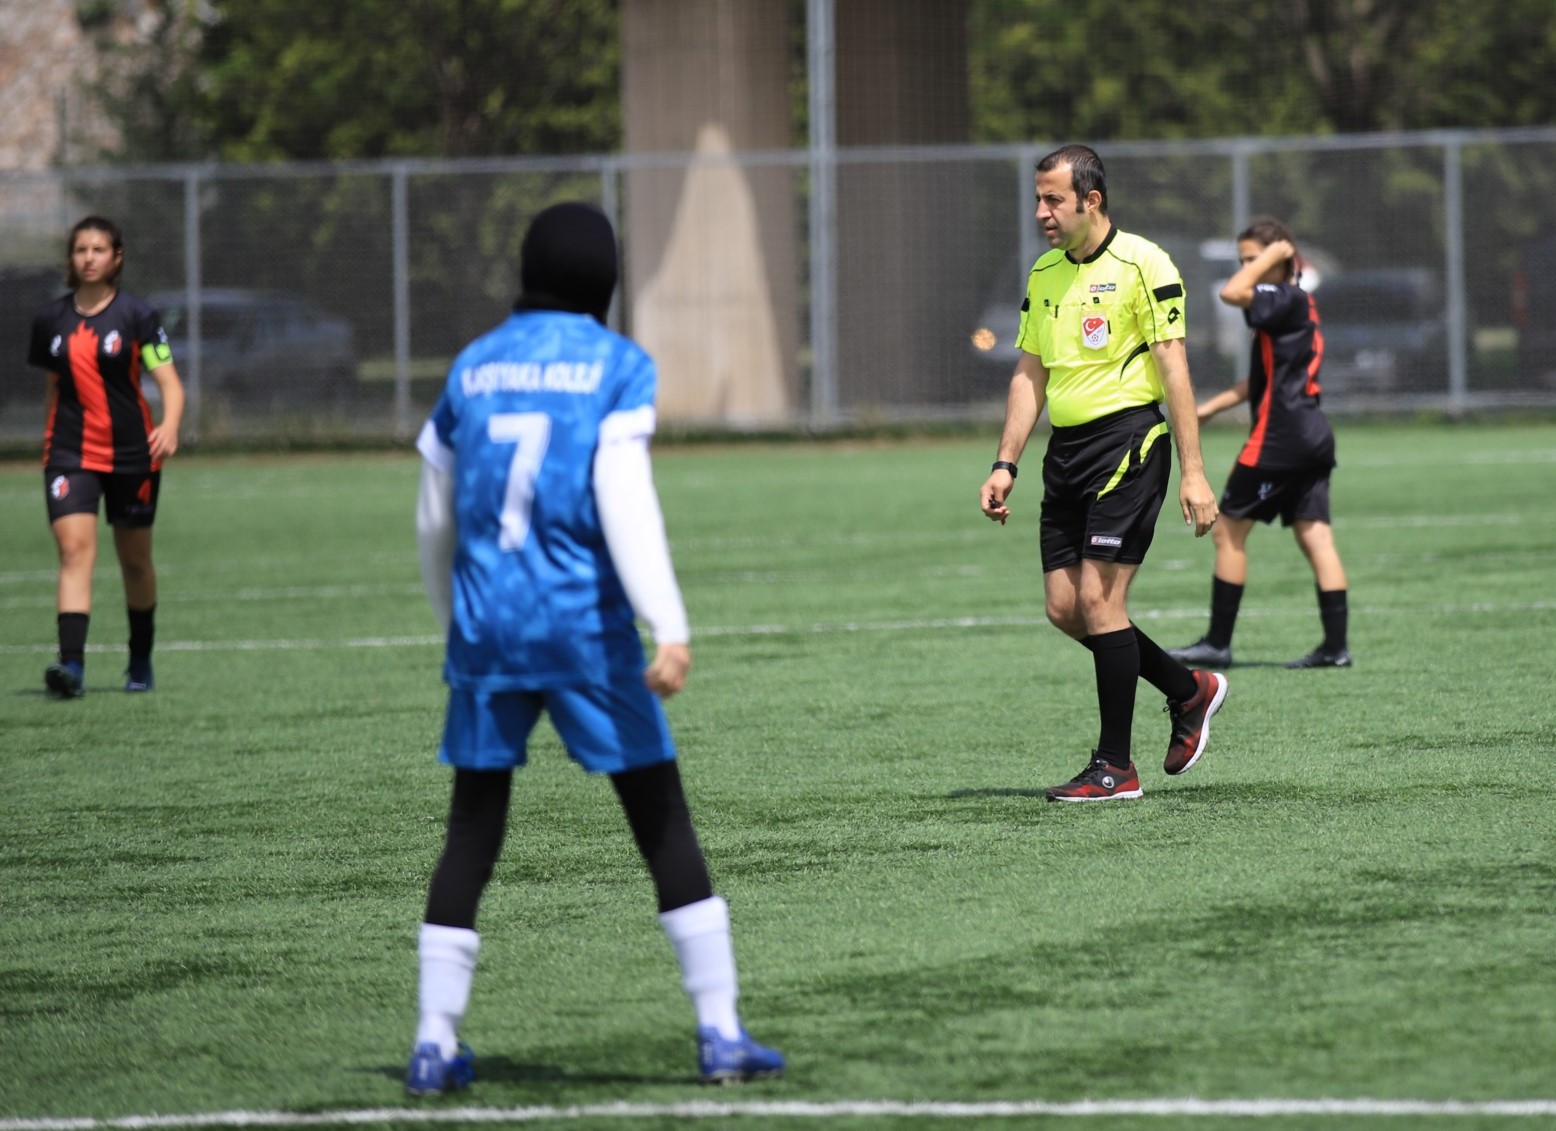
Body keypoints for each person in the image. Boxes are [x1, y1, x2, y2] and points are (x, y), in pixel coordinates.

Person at [406, 202, 784, 1095]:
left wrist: (452, 619)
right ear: (606, 278)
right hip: (581, 627)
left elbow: (434, 514)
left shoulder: (474, 363)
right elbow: (624, 495)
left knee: (471, 828)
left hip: (486, 625)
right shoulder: (617, 364)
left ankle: (431, 1039)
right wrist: (671, 619)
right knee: (661, 821)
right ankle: (721, 1029)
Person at [979, 145, 1228, 803]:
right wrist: (1006, 462)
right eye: (1038, 198)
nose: (1042, 212)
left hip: (1130, 443)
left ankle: (1115, 767)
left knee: (1099, 601)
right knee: (1066, 609)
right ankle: (1189, 688)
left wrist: (1195, 472)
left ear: (1092, 199)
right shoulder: (1043, 273)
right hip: (1066, 453)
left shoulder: (1143, 265)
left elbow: (1174, 369)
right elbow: (1029, 373)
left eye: (1053, 199)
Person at [1169, 218, 1352, 670]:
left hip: (1281, 438)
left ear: (1280, 259)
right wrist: (1208, 410)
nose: (1246, 268)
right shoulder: (1293, 304)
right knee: (1316, 536)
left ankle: (1217, 643)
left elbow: (1230, 292)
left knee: (1230, 528)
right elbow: (1261, 381)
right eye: (1243, 260)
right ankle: (1335, 648)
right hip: (1311, 436)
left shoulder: (1283, 296)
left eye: (1253, 258)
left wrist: (1272, 258)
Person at [27, 215, 184, 698]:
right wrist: (50, 442)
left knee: (135, 562)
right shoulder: (51, 320)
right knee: (75, 552)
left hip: (133, 455)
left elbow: (168, 383)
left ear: (116, 258)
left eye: (98, 250)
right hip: (70, 454)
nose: (88, 258)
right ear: (71, 259)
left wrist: (171, 425)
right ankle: (70, 666)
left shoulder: (138, 316)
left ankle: (140, 660)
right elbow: (55, 390)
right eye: (80, 250)